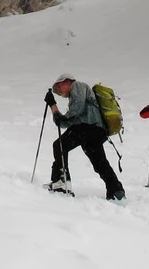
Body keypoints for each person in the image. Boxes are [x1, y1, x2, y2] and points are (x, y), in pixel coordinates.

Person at [45, 73, 125, 201]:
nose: (59, 92)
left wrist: (63, 116)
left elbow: (76, 109)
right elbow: (64, 123)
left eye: (59, 87)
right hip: (96, 131)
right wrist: (53, 106)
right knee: (100, 164)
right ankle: (116, 192)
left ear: (67, 81)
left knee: (59, 145)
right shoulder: (75, 99)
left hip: (87, 127)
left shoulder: (78, 86)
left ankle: (62, 181)